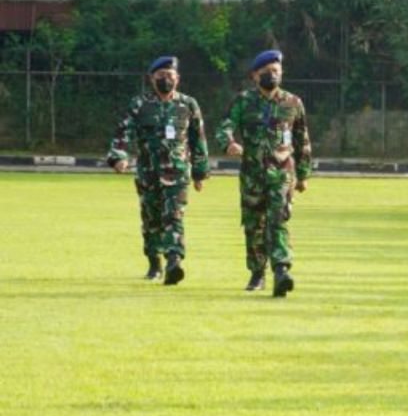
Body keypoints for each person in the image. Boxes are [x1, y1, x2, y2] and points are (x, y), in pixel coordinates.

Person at [216, 49, 312, 297]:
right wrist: (229, 143)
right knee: (253, 224)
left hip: (282, 175)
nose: (272, 75)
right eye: (266, 72)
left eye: (276, 71)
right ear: (255, 76)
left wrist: (303, 174)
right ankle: (257, 273)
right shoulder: (243, 102)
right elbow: (225, 126)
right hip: (252, 176)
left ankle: (281, 270)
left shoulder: (293, 103)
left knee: (278, 221)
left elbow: (302, 141)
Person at [107, 55, 210, 285]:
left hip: (178, 173)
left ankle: (174, 261)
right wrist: (119, 157)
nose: (166, 80)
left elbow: (198, 138)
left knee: (174, 216)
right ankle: (154, 263)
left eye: (170, 76)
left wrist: (200, 172)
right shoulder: (140, 104)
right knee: (151, 220)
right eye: (161, 76)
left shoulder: (188, 105)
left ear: (178, 78)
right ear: (151, 79)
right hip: (148, 173)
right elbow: (124, 132)